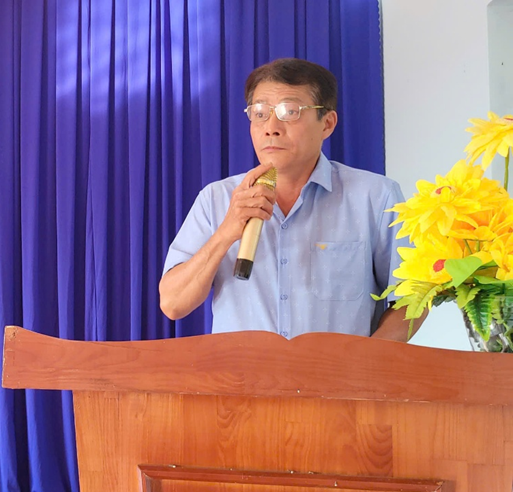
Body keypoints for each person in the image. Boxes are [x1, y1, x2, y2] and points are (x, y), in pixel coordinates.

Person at [158, 58, 421, 341]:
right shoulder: (216, 199)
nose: (271, 127)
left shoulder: (376, 197)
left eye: (290, 112)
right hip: (241, 370)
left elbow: (411, 300)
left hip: (338, 370)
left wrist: (367, 361)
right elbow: (173, 304)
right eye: (260, 113)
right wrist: (226, 233)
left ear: (327, 124)